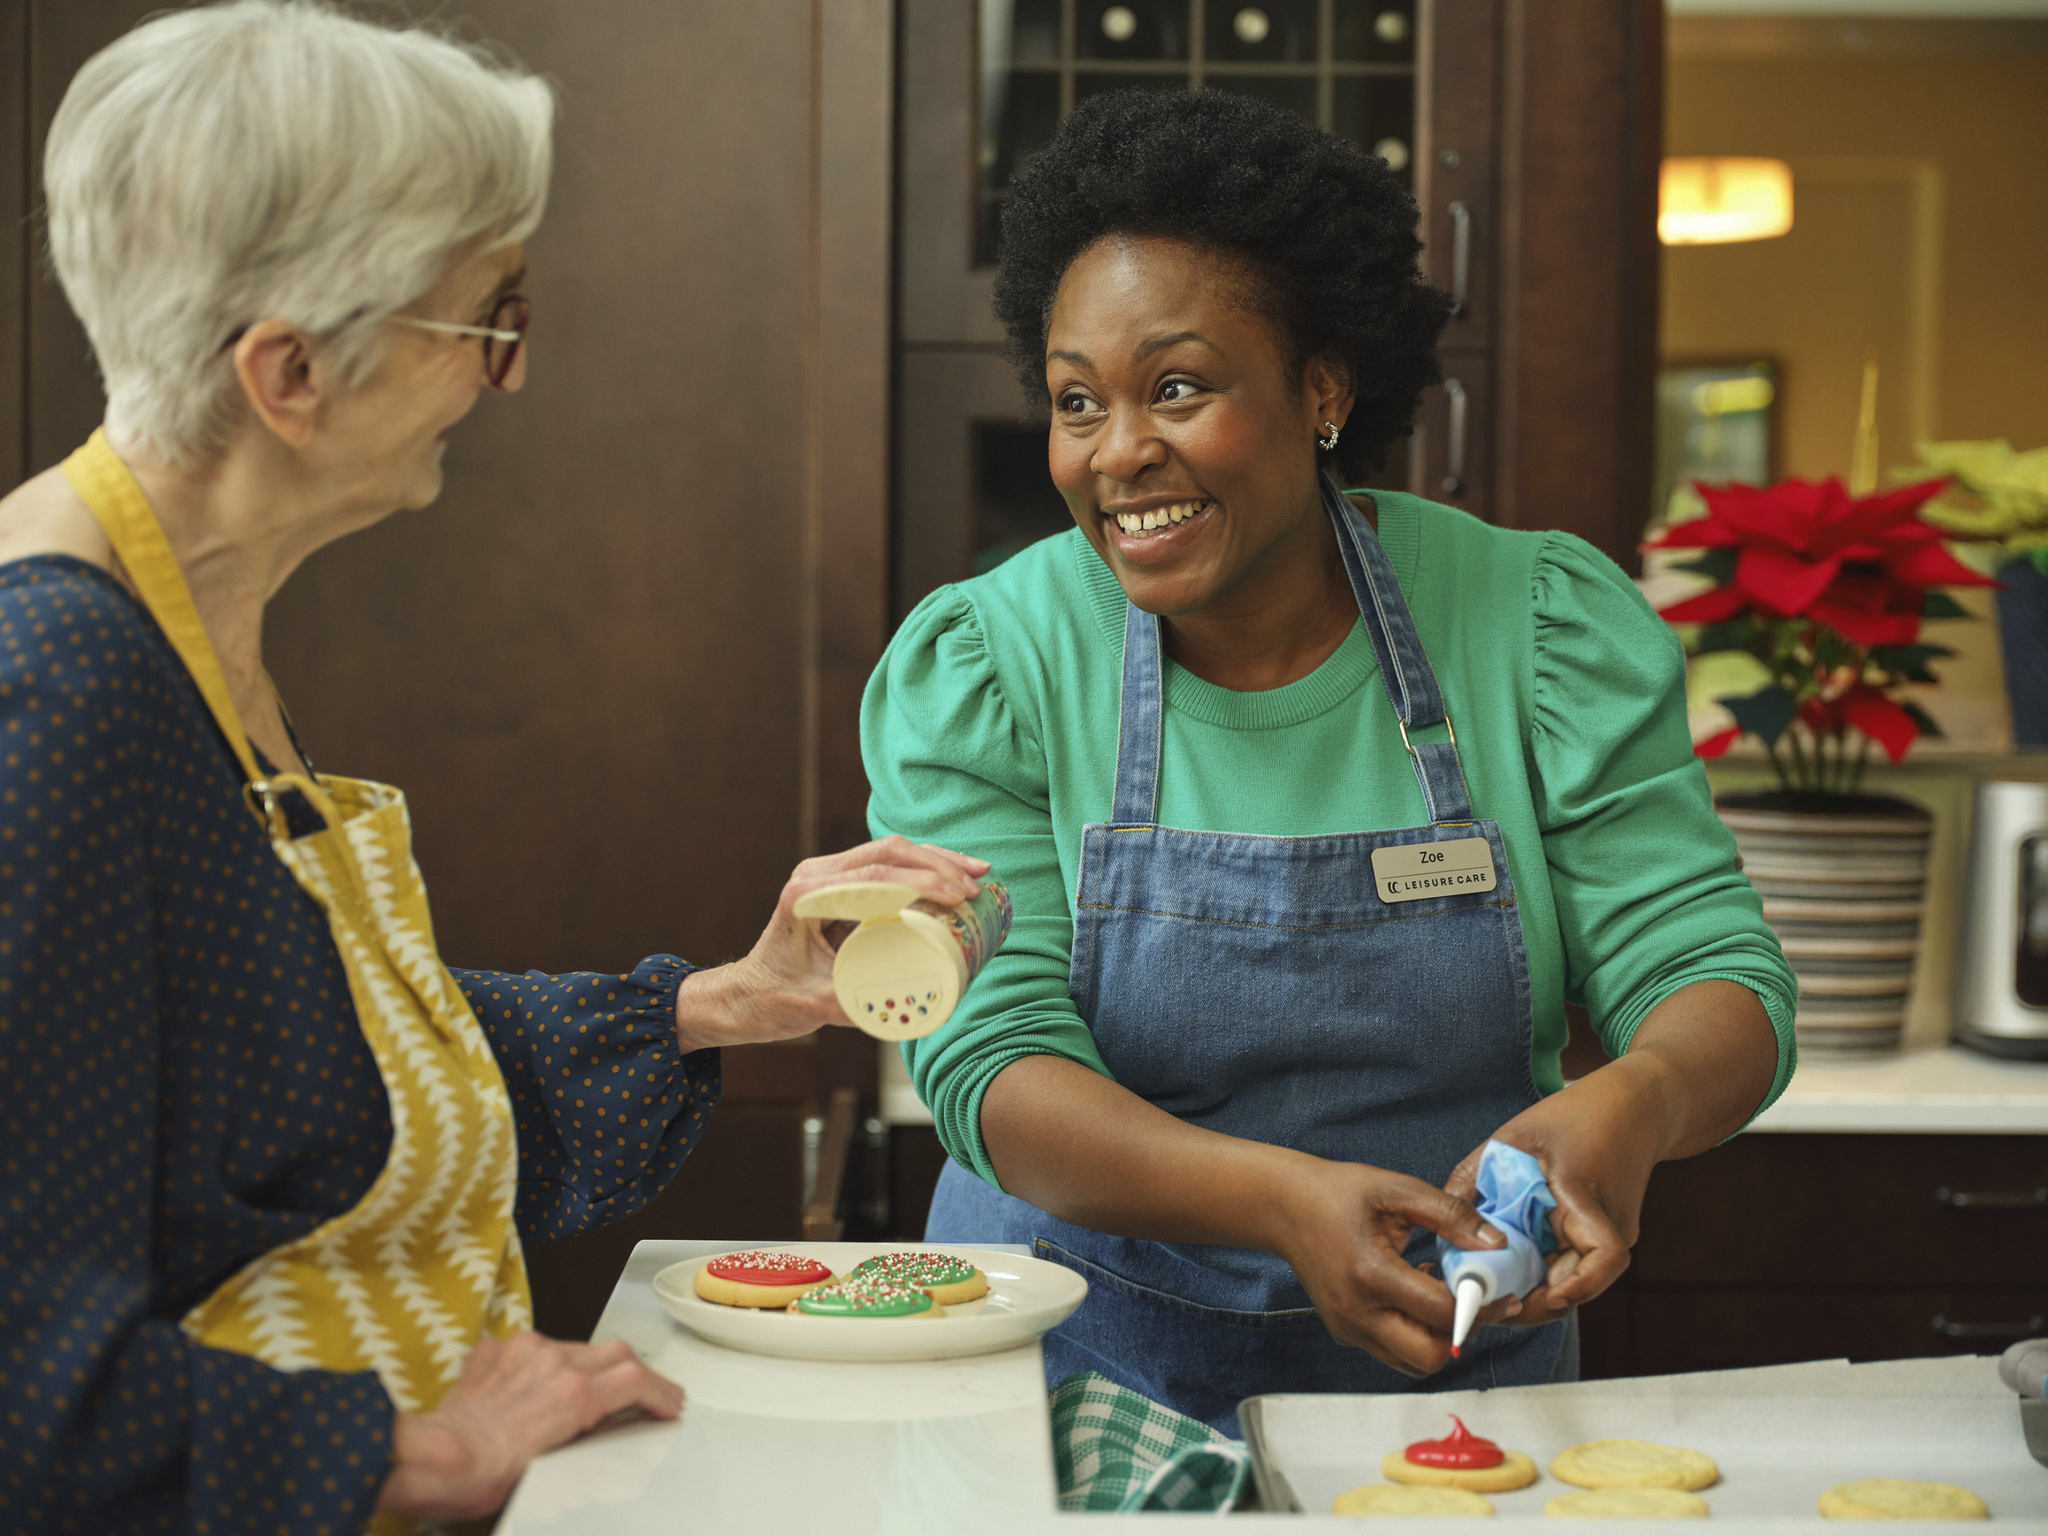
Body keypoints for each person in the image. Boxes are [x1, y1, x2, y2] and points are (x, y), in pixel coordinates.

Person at [0, 4, 985, 1530]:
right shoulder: (51, 701)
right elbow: (26, 1373)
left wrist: (722, 1000)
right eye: (490, 324)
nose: (509, 379)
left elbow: (306, 1106)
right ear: (290, 377)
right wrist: (413, 1455)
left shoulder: (198, 640)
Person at [861, 88, 1799, 1435]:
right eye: (1078, 401)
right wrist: (1282, 1202)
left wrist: (1633, 1106)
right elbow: (992, 1063)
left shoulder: (1531, 627)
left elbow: (1713, 970)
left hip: (1454, 1374)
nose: (1118, 453)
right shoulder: (990, 666)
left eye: (1176, 386)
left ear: (1321, 387)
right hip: (1063, 1372)